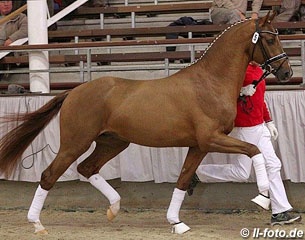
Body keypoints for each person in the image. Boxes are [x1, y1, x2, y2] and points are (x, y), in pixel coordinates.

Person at [195, 61, 302, 226]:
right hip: (245, 128)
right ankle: (198, 173)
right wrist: (241, 92)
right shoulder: (236, 69)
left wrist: (269, 121)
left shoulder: (258, 68)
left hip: (259, 127)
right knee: (241, 172)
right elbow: (221, 97)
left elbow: (261, 98)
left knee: (273, 165)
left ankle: (280, 211)